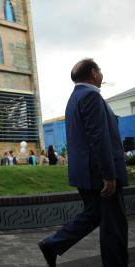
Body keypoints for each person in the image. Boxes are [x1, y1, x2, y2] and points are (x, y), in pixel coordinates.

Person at [38, 58, 129, 267]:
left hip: (86, 174)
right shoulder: (91, 96)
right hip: (100, 175)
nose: (101, 74)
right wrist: (109, 175)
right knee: (114, 227)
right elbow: (98, 137)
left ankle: (52, 245)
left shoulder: (74, 98)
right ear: (94, 74)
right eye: (100, 70)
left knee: (93, 215)